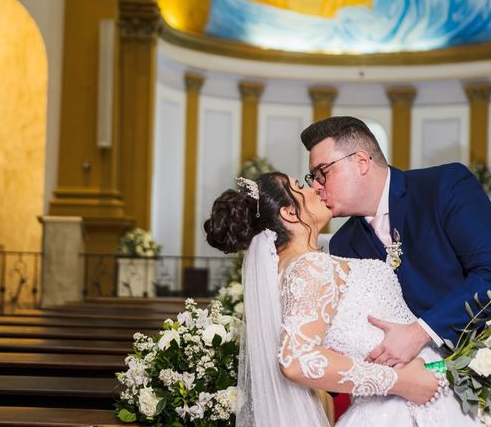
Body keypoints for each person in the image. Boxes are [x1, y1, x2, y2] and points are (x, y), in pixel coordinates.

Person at [204, 172, 476, 426]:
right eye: (300, 187)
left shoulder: (296, 265)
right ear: (288, 213)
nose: (315, 189)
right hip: (405, 402)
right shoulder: (310, 267)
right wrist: (401, 381)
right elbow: (297, 361)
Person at [300, 116, 491, 367]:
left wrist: (421, 332)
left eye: (322, 173)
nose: (315, 187)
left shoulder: (444, 186)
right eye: (312, 177)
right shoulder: (343, 243)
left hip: (486, 363)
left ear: (361, 162)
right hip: (403, 385)